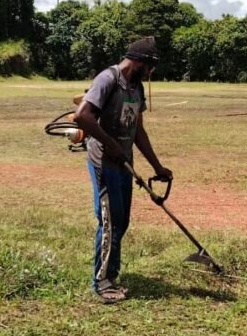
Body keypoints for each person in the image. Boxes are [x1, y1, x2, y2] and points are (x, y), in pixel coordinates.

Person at [73, 36, 173, 304]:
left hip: (124, 162)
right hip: (103, 162)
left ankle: (111, 275)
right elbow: (82, 115)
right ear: (139, 62)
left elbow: (138, 130)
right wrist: (110, 143)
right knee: (109, 221)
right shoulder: (108, 79)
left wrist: (157, 166)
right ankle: (102, 282)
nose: (150, 73)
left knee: (122, 221)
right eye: (150, 68)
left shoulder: (136, 88)